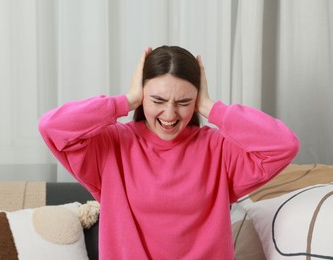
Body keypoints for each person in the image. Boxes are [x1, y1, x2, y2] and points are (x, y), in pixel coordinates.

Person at [39, 45, 300, 259]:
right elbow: (52, 127)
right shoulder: (112, 146)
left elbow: (284, 145)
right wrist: (125, 101)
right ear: (143, 96)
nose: (170, 115)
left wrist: (211, 108)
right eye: (158, 101)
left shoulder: (218, 150)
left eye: (184, 102)